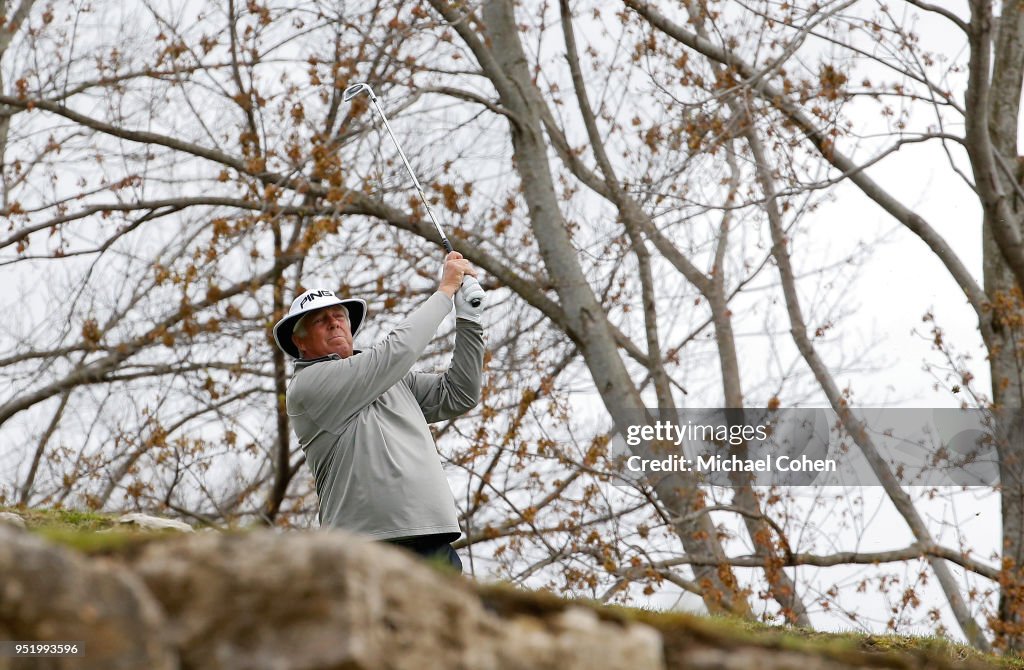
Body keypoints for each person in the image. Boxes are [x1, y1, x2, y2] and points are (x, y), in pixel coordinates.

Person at [272, 252, 485, 573]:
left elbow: (459, 394)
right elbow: (396, 351)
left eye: (338, 315)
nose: (333, 322)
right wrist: (444, 294)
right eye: (319, 320)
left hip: (431, 536)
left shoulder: (388, 377)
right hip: (365, 544)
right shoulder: (308, 386)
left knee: (453, 624)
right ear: (299, 342)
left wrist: (469, 321)